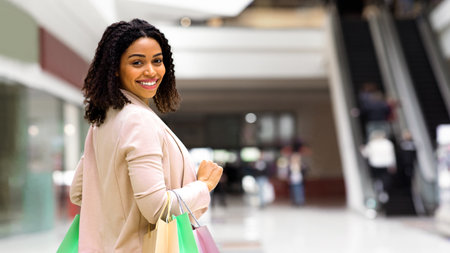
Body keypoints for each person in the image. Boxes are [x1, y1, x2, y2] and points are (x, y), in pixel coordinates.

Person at [69, 19, 223, 252]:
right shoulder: (138, 120)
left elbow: (79, 192)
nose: (151, 71)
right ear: (115, 69)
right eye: (137, 62)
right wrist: (203, 186)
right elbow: (157, 208)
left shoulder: (103, 121)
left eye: (157, 61)